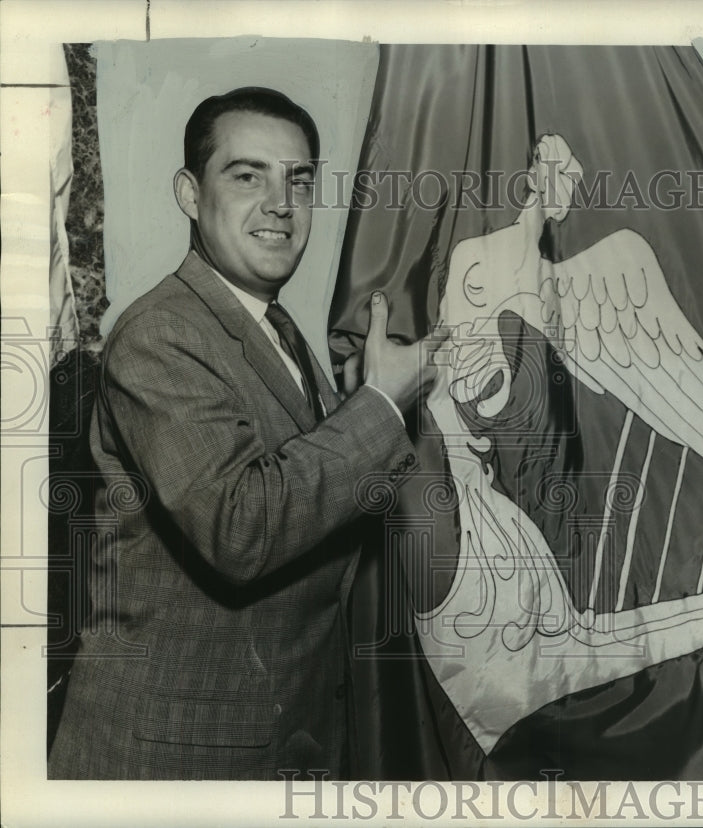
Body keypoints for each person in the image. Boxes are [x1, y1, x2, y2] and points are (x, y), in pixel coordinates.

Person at [48, 87, 436, 780]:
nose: (280, 203)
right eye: (247, 174)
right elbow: (241, 529)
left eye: (299, 180)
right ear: (191, 194)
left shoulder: (275, 329)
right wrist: (378, 405)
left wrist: (353, 406)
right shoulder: (163, 333)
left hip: (278, 743)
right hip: (171, 761)